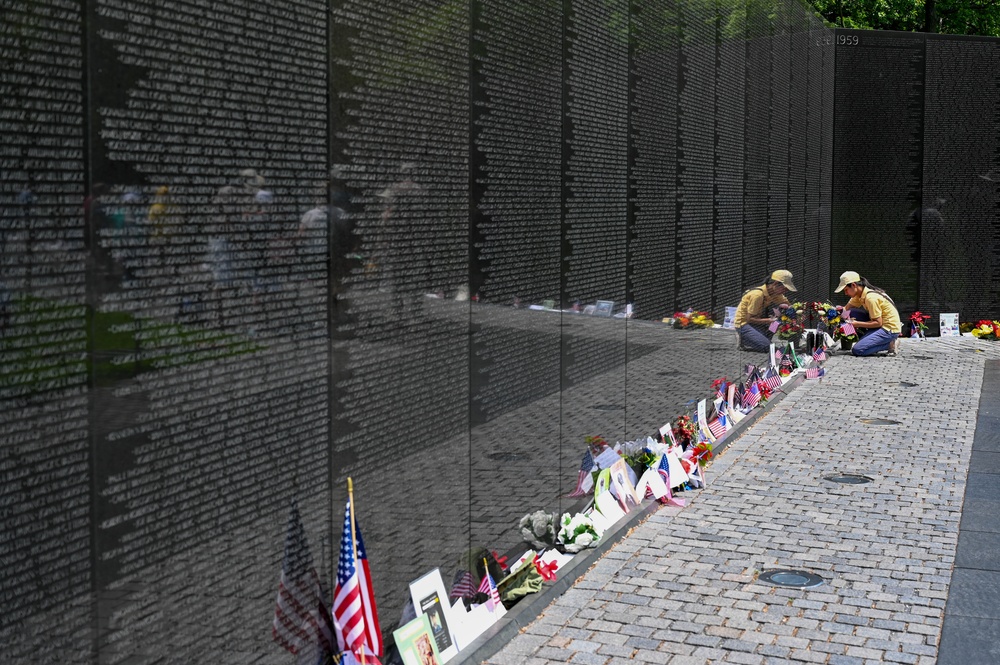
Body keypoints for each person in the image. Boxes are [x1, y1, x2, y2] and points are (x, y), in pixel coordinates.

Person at [834, 270, 901, 357]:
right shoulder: (859, 294)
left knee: (858, 350)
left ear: (854, 285)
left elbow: (878, 323)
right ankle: (851, 340)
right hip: (880, 325)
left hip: (889, 329)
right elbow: (845, 310)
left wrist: (856, 324)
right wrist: (832, 313)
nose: (845, 293)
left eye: (846, 290)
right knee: (850, 313)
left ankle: (890, 344)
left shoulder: (870, 298)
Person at [734, 270, 797, 351]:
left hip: (756, 323)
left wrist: (795, 313)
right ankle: (744, 337)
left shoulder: (775, 293)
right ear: (775, 283)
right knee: (768, 347)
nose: (786, 291)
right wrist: (769, 320)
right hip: (744, 324)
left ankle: (754, 338)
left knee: (778, 322)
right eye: (785, 288)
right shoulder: (757, 295)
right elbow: (748, 319)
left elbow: (788, 305)